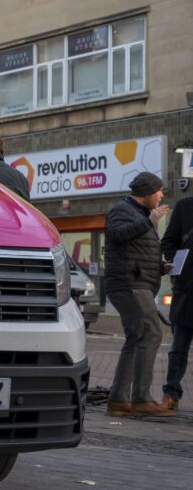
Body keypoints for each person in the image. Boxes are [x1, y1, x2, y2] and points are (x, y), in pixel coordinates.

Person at [105, 172, 174, 418]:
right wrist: (150, 221)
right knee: (152, 332)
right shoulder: (123, 210)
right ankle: (142, 399)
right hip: (129, 284)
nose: (162, 195)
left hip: (136, 281)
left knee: (136, 338)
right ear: (146, 192)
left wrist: (160, 266)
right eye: (159, 191)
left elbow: (133, 250)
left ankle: (119, 400)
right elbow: (116, 235)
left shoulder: (140, 214)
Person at [161, 193, 193, 411]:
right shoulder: (184, 207)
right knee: (178, 348)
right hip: (187, 290)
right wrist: (178, 265)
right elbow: (169, 241)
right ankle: (171, 394)